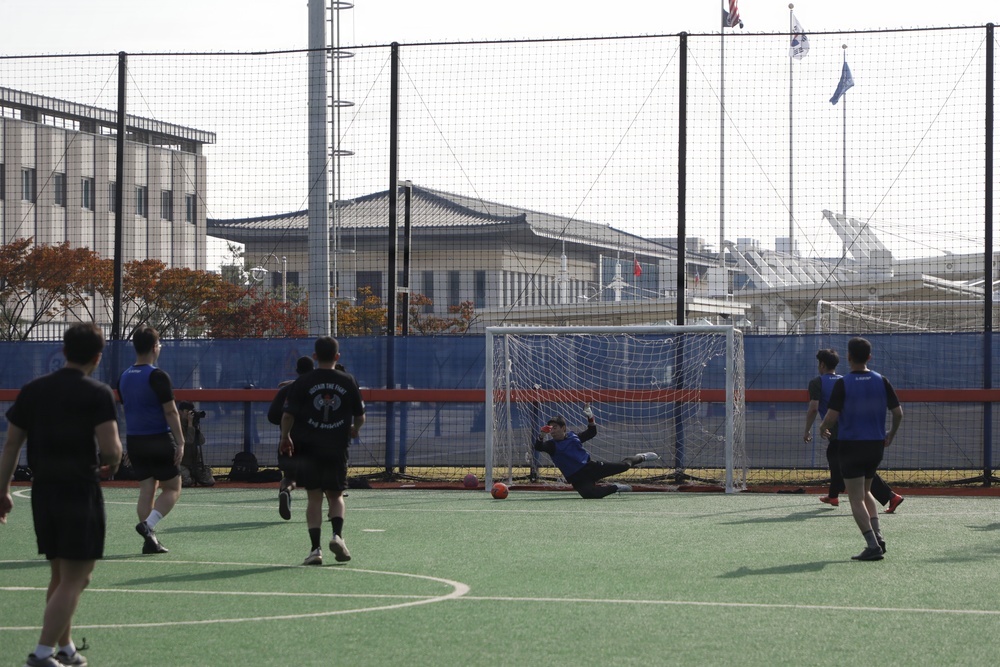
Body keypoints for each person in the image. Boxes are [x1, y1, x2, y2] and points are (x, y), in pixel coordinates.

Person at [0, 323, 123, 667]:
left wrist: (2, 490)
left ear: (64, 351)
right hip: (79, 491)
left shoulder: (32, 390)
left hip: (43, 493)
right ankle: (41, 653)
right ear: (98, 357)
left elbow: (11, 445)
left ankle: (66, 647)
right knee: (77, 577)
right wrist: (110, 464)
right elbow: (111, 450)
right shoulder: (97, 393)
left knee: (59, 575)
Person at [279, 337, 365, 565]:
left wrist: (285, 436)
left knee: (314, 497)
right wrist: (355, 429)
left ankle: (315, 549)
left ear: (315, 356)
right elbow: (360, 415)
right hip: (336, 447)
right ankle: (337, 535)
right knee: (336, 495)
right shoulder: (348, 381)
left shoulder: (303, 381)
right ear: (337, 357)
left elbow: (288, 415)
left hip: (309, 448)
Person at [819, 337, 904, 561]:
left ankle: (872, 546)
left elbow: (831, 416)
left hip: (851, 446)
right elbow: (898, 413)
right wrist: (891, 434)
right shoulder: (881, 380)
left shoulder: (843, 383)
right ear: (869, 357)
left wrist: (821, 428)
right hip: (876, 446)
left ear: (848, 357)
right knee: (866, 492)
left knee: (855, 498)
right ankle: (878, 537)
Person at [804, 349, 904, 512]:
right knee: (835, 459)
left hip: (841, 432)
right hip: (853, 427)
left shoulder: (817, 382)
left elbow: (813, 409)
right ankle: (833, 494)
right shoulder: (844, 380)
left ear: (821, 364)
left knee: (854, 468)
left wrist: (808, 430)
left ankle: (891, 496)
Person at [118, 326, 185, 555]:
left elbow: (129, 409)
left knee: (147, 490)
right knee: (173, 487)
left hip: (135, 441)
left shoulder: (124, 376)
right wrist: (181, 441)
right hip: (158, 439)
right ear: (155, 347)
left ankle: (150, 541)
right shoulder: (157, 375)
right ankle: (148, 525)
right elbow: (171, 412)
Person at [532, 407, 659, 499]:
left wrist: (590, 418)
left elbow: (592, 432)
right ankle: (616, 487)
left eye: (555, 428)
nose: (552, 431)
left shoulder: (573, 437)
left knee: (624, 466)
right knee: (589, 495)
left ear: (563, 428)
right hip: (577, 478)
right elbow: (538, 446)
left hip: (591, 467)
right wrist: (542, 435)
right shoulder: (551, 445)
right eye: (550, 429)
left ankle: (641, 457)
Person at [267, 355, 315, 520]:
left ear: (296, 371)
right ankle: (333, 510)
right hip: (314, 441)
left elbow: (273, 416)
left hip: (289, 440)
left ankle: (286, 491)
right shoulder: (320, 390)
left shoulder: (287, 391)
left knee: (289, 477)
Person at [177, 401, 214, 488]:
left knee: (209, 481)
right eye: (187, 411)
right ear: (180, 412)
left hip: (194, 463)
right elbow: (188, 441)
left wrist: (194, 426)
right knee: (187, 482)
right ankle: (186, 476)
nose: (189, 414)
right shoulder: (176, 426)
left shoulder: (193, 425)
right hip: (181, 462)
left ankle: (192, 475)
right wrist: (190, 424)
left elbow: (201, 441)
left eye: (191, 411)